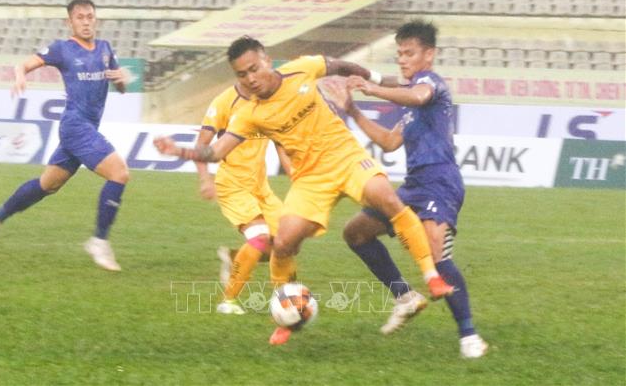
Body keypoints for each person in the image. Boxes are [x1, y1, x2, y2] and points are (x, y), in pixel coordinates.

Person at [154, 35, 454, 346]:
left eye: (254, 69)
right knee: (283, 242)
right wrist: (179, 151)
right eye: (242, 74)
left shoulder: (302, 68)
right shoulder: (249, 114)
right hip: (311, 179)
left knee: (386, 197)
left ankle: (432, 278)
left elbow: (339, 65)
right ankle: (285, 315)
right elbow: (216, 152)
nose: (250, 78)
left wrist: (372, 78)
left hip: (346, 157)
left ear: (266, 60)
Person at [334, 20, 487, 358]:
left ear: (428, 55)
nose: (402, 59)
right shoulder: (412, 106)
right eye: (399, 54)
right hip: (415, 185)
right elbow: (390, 142)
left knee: (435, 254)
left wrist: (372, 88)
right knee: (356, 233)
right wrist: (354, 111)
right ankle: (404, 296)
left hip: (440, 182)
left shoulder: (430, 85)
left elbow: (416, 93)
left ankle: (469, 336)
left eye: (409, 53)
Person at [0, 0, 130, 272]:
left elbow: (120, 87)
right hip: (75, 126)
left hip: (85, 129)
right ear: (69, 22)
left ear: (96, 20)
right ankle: (99, 241)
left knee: (47, 185)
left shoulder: (105, 49)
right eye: (80, 17)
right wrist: (20, 76)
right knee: (119, 173)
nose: (86, 22)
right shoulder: (62, 49)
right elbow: (24, 65)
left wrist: (121, 81)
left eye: (90, 17)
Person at [195, 79, 291, 315]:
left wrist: (294, 173)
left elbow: (280, 142)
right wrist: (205, 179)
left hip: (261, 186)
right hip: (232, 184)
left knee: (287, 241)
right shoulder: (224, 102)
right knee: (260, 238)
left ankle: (285, 299)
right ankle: (227, 302)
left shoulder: (270, 99)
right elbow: (201, 144)